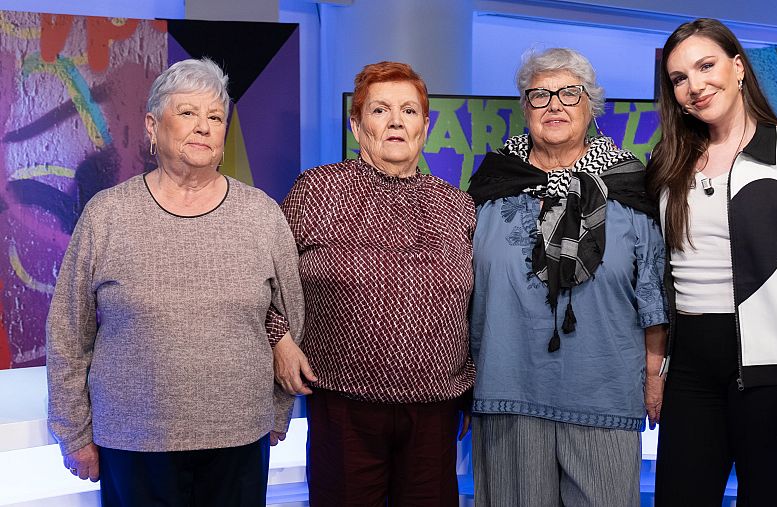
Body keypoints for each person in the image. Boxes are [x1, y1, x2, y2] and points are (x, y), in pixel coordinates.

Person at [46, 58, 305, 506]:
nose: (204, 127)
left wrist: (277, 412)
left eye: (216, 117)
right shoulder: (107, 215)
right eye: (188, 113)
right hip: (133, 443)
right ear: (152, 126)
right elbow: (68, 332)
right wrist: (73, 433)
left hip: (239, 439)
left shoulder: (261, 214)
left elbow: (290, 317)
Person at [647, 18, 777, 506]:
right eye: (679, 78)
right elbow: (654, 271)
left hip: (772, 374)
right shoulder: (666, 161)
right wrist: (654, 368)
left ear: (738, 68)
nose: (695, 86)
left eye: (706, 66)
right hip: (689, 372)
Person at [267, 61, 476, 506]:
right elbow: (263, 280)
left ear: (425, 126)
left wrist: (473, 387)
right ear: (357, 126)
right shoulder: (317, 190)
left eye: (409, 111)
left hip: (435, 411)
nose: (396, 121)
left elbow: (478, 306)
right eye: (380, 110)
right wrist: (279, 341)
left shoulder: (457, 205)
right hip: (343, 408)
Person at [466, 47, 667, 506]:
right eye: (540, 95)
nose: (554, 105)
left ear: (590, 105)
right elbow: (463, 294)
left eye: (569, 93)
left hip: (605, 396)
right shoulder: (491, 186)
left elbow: (653, 293)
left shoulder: (630, 186)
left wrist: (655, 375)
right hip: (507, 394)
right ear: (525, 108)